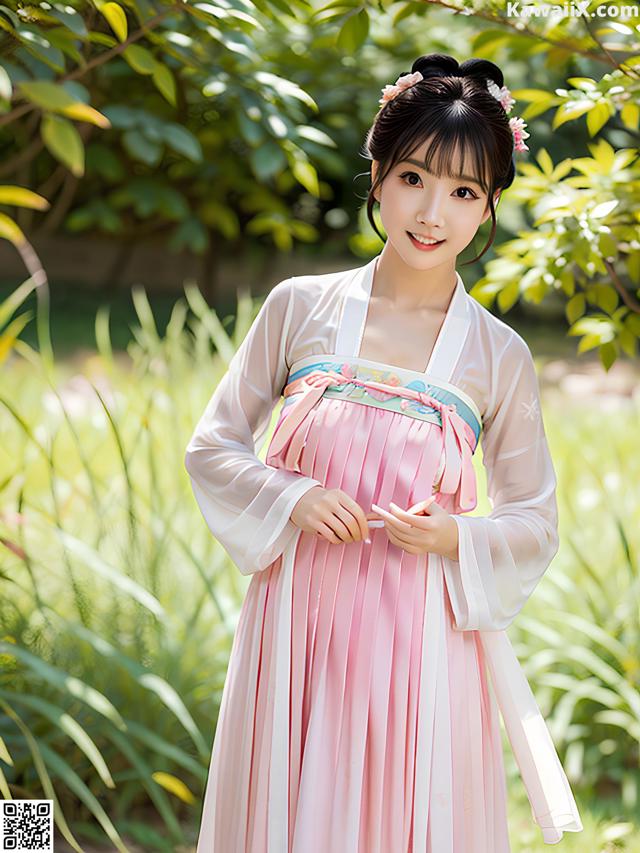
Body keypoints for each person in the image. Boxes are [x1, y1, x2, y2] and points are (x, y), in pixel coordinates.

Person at [185, 52, 583, 853]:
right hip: (295, 619)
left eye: (464, 192)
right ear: (376, 175)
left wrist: (456, 536)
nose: (433, 212)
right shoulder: (298, 308)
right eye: (413, 179)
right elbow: (215, 443)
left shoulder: (497, 354)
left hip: (420, 635)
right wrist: (290, 495)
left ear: (490, 205)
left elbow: (535, 517)